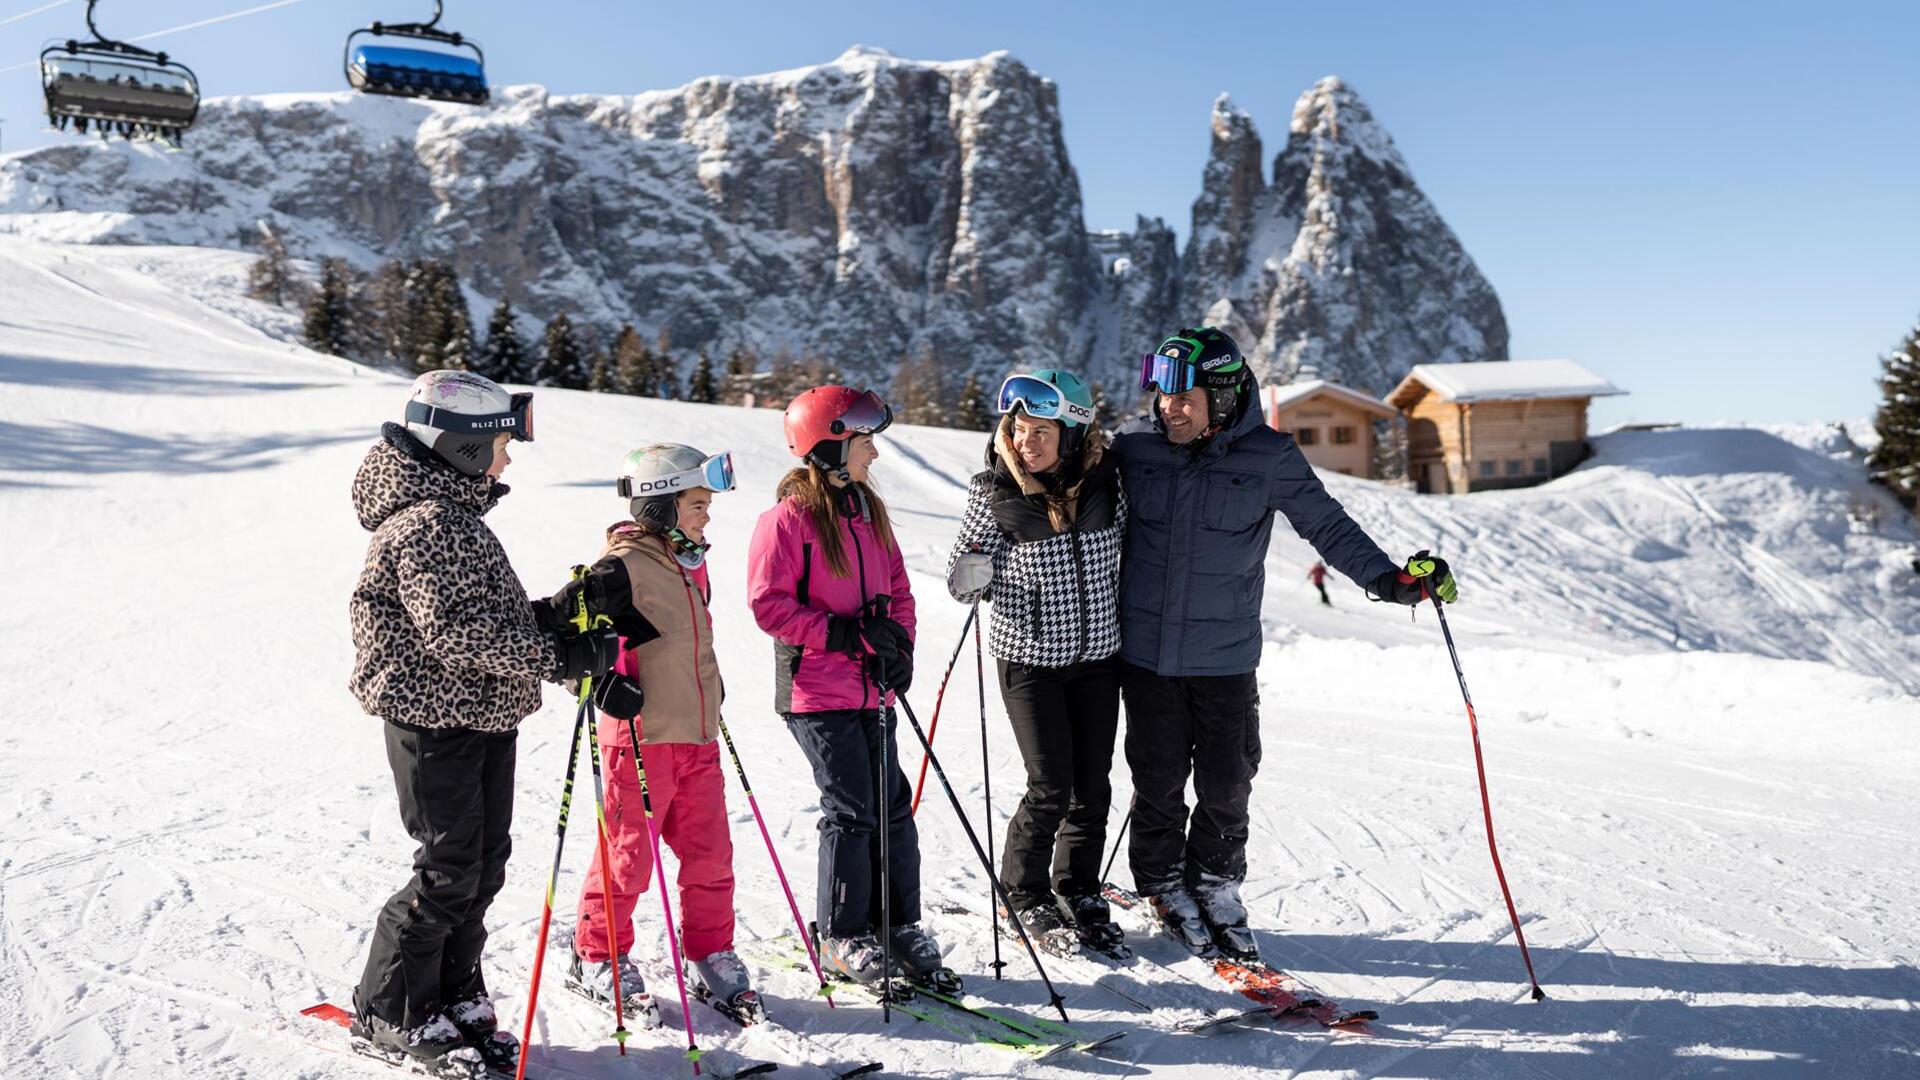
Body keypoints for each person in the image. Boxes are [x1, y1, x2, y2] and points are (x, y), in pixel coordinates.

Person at [1111, 328, 1459, 962]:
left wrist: (1393, 582)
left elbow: (1330, 527)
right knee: (1156, 780)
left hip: (1224, 657)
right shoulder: (1133, 448)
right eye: (1162, 395)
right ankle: (1161, 883)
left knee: (1228, 781)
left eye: (1184, 398)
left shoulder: (1269, 457)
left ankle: (1215, 883)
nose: (1169, 409)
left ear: (1223, 397)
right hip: (1146, 655)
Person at [347, 371, 619, 1073]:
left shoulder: (455, 520)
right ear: (462, 447)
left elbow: (487, 620)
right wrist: (557, 655)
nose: (507, 457)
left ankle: (452, 992)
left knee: (483, 865)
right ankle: (391, 1009)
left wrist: (556, 614)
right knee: (447, 868)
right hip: (434, 720)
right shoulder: (427, 524)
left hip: (480, 715)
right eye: (499, 444)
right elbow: (456, 633)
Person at [746, 386, 949, 989]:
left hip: (871, 689)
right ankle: (842, 933)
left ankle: (897, 923)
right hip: (816, 692)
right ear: (829, 446)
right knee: (852, 810)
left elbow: (900, 591)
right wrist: (843, 634)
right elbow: (768, 605)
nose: (874, 455)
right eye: (865, 443)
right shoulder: (787, 521)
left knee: (892, 808)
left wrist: (900, 648)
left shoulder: (867, 512)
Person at [562, 444, 762, 1024]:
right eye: (698, 504)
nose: (707, 515)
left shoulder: (689, 561)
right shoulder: (619, 567)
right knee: (628, 859)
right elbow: (564, 631)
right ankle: (596, 954)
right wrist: (599, 682)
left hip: (696, 735)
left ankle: (708, 951)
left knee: (710, 856)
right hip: (640, 741)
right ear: (660, 504)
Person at [944, 369, 1129, 957]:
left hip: (1098, 655)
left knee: (1092, 785)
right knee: (1050, 784)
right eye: (1020, 429)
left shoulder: (1108, 482)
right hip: (1028, 659)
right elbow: (962, 581)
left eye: (1042, 431)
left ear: (1072, 434)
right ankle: (1022, 892)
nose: (1028, 442)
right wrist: (973, 568)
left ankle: (1078, 887)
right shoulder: (994, 492)